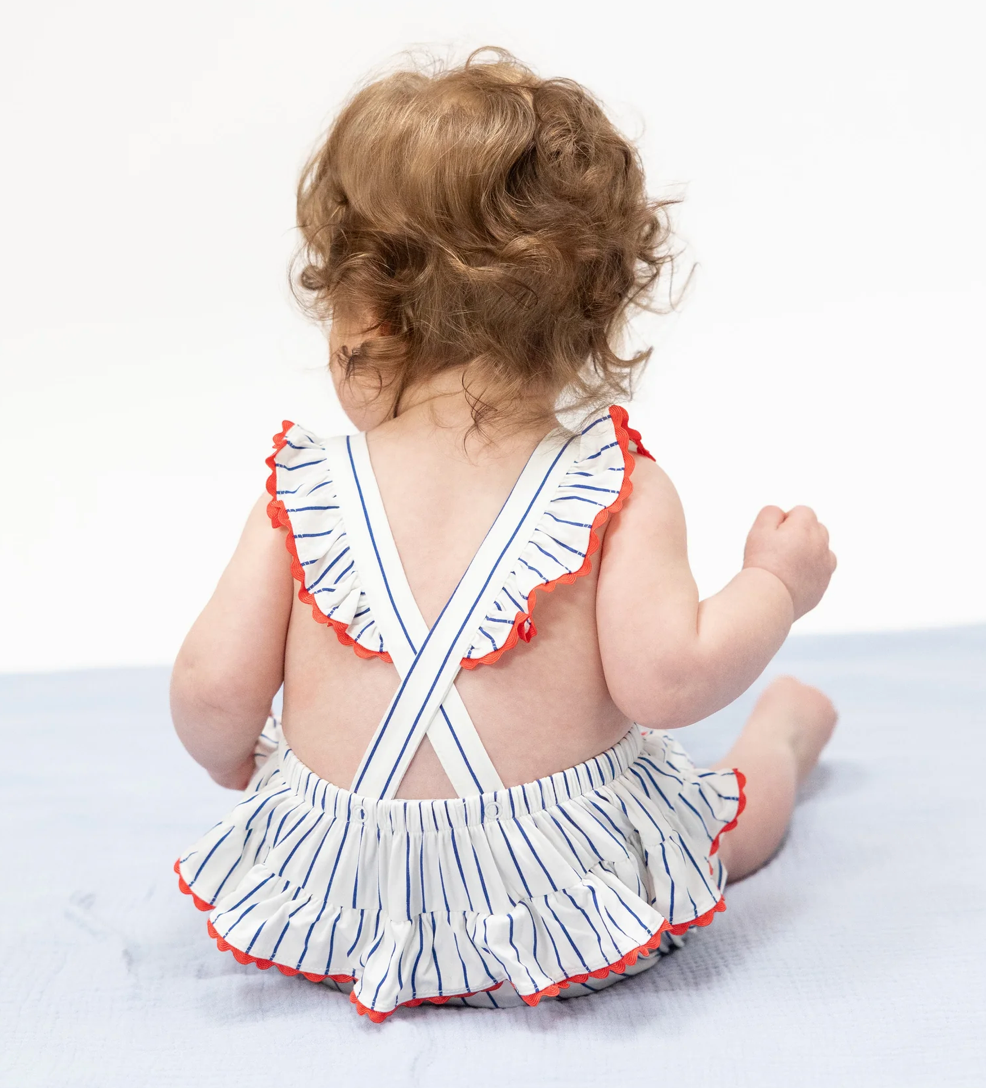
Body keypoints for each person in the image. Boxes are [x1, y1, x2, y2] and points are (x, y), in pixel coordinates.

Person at [171, 48, 837, 1022]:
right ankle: (779, 737)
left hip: (346, 895)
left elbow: (209, 691)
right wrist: (772, 583)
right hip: (560, 895)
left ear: (360, 313)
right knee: (725, 819)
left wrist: (237, 756)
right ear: (591, 318)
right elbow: (669, 677)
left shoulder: (306, 487)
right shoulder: (616, 488)